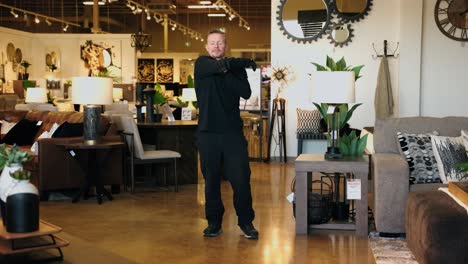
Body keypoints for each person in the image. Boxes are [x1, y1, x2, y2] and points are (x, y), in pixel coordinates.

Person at [194, 29, 259, 240]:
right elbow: (218, 66)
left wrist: (228, 69)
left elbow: (246, 92)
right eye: (212, 43)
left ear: (225, 45)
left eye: (220, 43)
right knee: (211, 180)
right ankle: (214, 223)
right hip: (208, 133)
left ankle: (246, 222)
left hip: (232, 133)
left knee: (241, 179)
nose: (216, 46)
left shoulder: (236, 71)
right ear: (206, 46)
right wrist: (240, 63)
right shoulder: (201, 64)